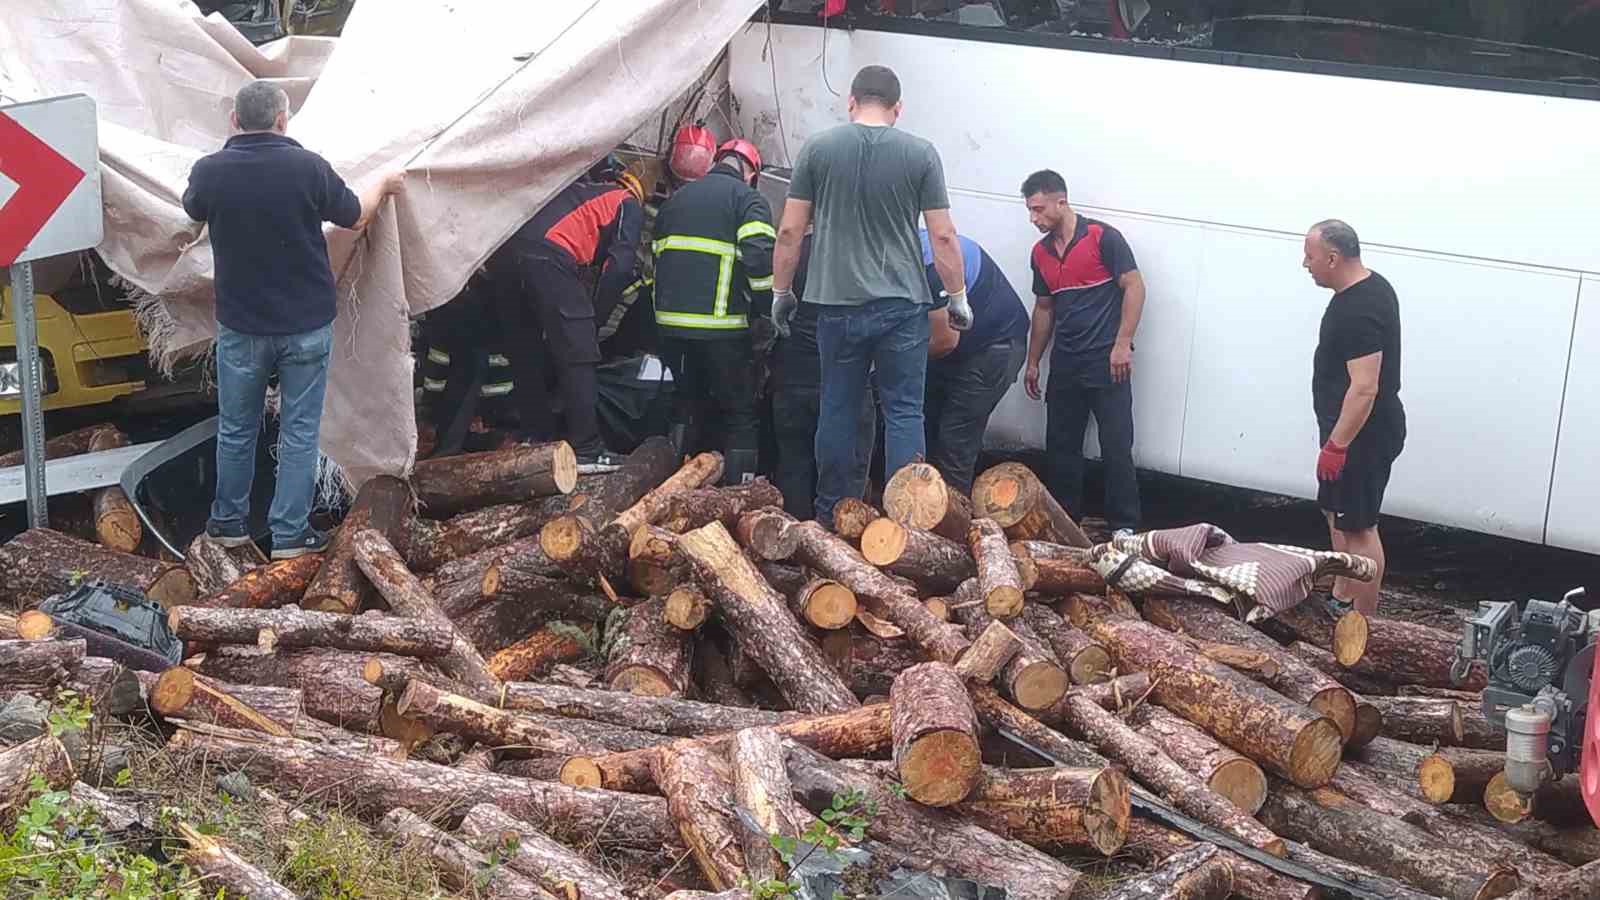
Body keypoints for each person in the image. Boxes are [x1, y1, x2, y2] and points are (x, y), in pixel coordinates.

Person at [183, 80, 402, 559]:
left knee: (236, 428)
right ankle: (289, 535)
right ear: (283, 121)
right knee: (300, 432)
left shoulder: (210, 171)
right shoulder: (308, 168)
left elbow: (190, 213)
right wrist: (384, 183)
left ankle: (227, 525)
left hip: (242, 325)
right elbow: (356, 217)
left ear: (234, 121)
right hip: (305, 324)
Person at [770, 64, 968, 528]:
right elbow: (942, 236)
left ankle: (831, 517)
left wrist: (781, 292)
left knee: (836, 408)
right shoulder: (921, 154)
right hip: (902, 307)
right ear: (898, 109)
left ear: (851, 102)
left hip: (835, 307)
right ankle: (909, 523)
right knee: (903, 411)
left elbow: (790, 230)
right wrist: (957, 296)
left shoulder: (818, 149)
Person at [482, 166, 644, 471]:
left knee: (525, 349)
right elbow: (619, 267)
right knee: (579, 351)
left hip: (506, 253)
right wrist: (595, 318)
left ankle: (535, 435)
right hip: (549, 252)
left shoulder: (573, 194)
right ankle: (587, 449)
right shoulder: (626, 202)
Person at [1021, 169, 1145, 535]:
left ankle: (1124, 526)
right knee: (1061, 448)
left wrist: (1123, 342)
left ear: (1061, 201)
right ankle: (1065, 524)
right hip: (1066, 363)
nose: (1034, 219)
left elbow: (1135, 287)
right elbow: (1044, 309)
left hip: (1107, 362)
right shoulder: (1040, 254)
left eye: (1039, 209)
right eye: (1029, 211)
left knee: (1116, 446)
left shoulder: (1102, 238)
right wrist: (1033, 361)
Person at [651, 140, 775, 483]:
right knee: (739, 413)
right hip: (722, 331)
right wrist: (766, 310)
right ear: (751, 173)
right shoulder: (748, 201)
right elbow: (759, 257)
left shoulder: (676, 201)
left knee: (685, 403)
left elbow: (655, 258)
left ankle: (670, 487)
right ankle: (739, 494)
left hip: (670, 328)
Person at [1303, 219, 1405, 616]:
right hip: (1346, 432)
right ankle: (1342, 595)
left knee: (1360, 528)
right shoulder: (1365, 287)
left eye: (1310, 256)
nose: (1305, 264)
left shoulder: (1359, 310)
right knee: (1336, 512)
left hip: (1363, 435)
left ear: (1332, 257)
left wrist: (1337, 445)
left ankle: (1364, 624)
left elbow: (1365, 387)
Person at [769, 231, 878, 520]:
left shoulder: (794, 248)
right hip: (845, 381)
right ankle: (836, 548)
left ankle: (795, 542)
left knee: (794, 465)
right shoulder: (867, 255)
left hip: (792, 374)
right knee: (847, 470)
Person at [919, 229, 1030, 494]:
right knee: (926, 423)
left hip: (994, 348)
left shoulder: (934, 266)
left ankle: (950, 523)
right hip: (961, 347)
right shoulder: (907, 248)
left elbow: (945, 341)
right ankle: (923, 509)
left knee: (955, 438)